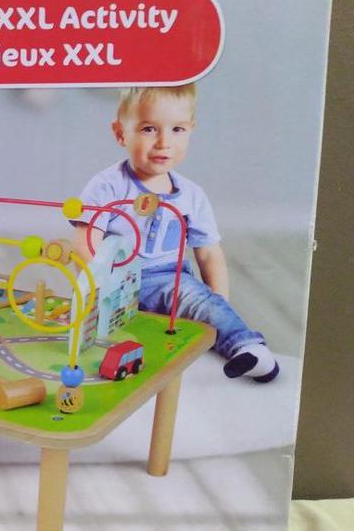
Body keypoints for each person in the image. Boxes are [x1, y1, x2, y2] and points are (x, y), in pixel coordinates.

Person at [71, 85, 279, 382]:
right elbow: (86, 243)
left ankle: (249, 349)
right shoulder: (107, 185)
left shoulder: (192, 196)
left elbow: (209, 255)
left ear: (191, 130)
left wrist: (217, 309)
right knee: (94, 328)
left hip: (169, 280)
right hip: (117, 279)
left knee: (201, 304)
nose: (164, 142)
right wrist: (99, 286)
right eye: (149, 129)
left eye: (177, 129)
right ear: (120, 133)